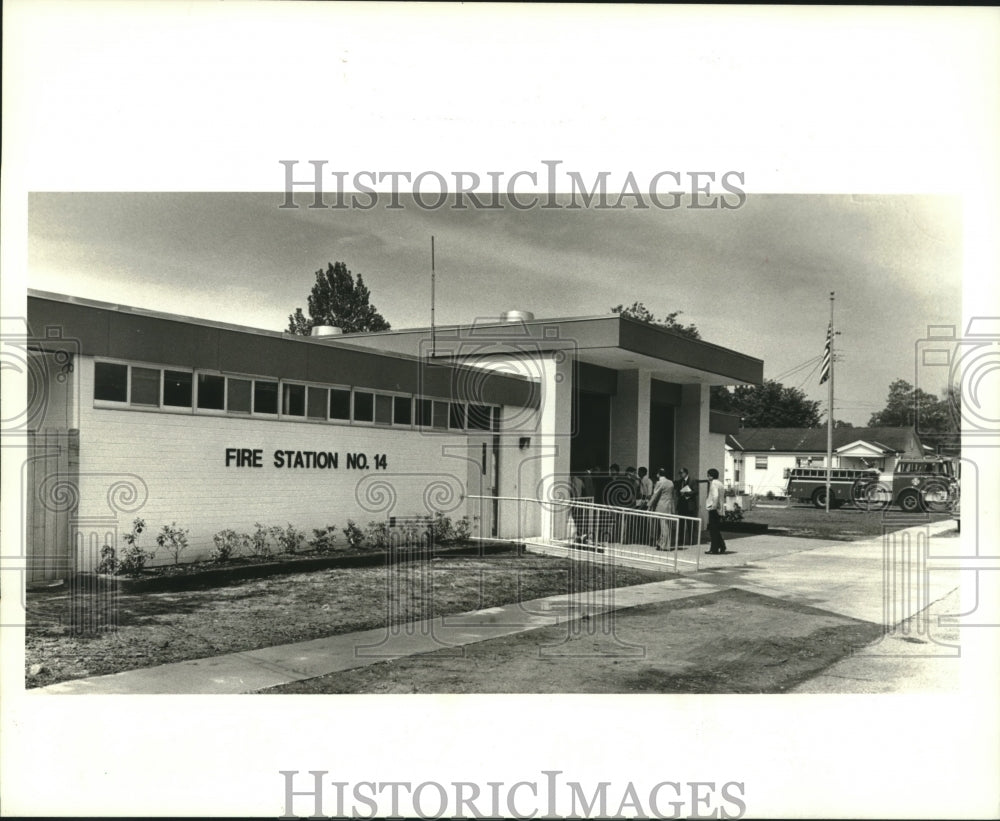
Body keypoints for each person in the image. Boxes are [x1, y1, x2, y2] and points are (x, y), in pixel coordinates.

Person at [648, 468, 676, 550]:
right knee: (666, 525)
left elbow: (655, 495)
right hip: (669, 505)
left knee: (663, 526)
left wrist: (649, 505)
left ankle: (664, 544)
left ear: (658, 474)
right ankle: (662, 543)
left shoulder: (660, 482)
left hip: (661, 506)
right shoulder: (670, 482)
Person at [705, 468, 728, 555]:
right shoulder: (720, 483)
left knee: (713, 530)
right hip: (720, 509)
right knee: (716, 529)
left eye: (708, 475)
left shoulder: (713, 484)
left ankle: (714, 549)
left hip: (714, 508)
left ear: (711, 476)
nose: (707, 477)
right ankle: (722, 546)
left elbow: (715, 496)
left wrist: (713, 507)